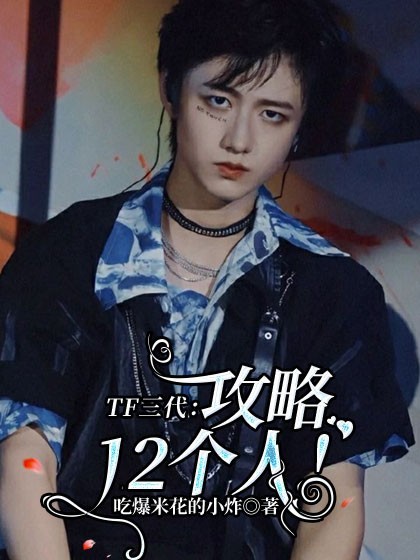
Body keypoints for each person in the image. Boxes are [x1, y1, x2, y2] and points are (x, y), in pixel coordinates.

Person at [0, 1, 414, 559]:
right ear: (170, 89)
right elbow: (25, 459)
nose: (240, 139)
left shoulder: (334, 290)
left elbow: (335, 502)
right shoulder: (70, 252)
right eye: (219, 100)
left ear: (300, 125)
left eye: (273, 114)